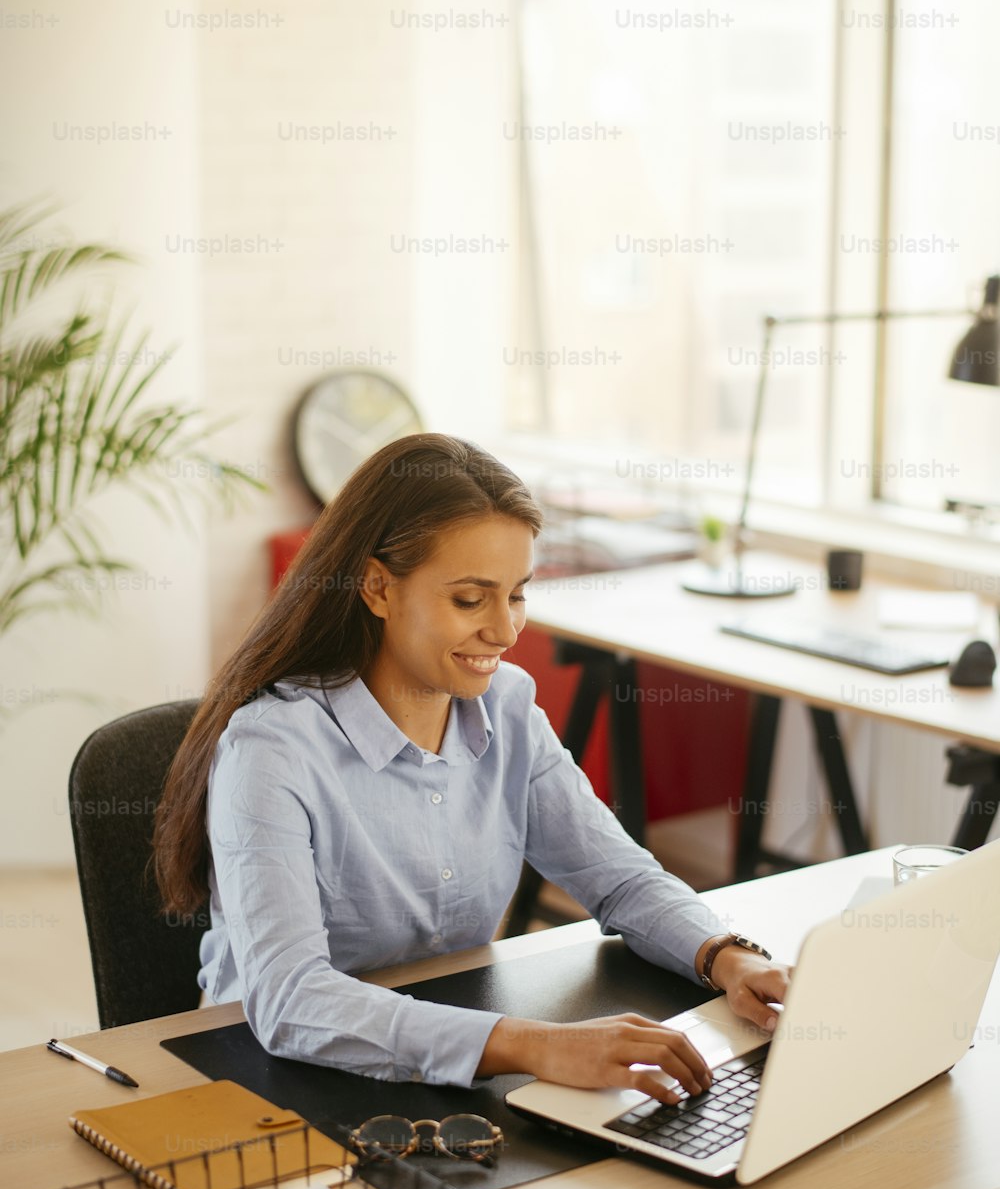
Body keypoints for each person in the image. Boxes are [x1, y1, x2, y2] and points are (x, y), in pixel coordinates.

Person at [155, 434, 789, 1102]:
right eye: (469, 599)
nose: (507, 631)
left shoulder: (509, 708)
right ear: (377, 587)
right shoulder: (273, 750)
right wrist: (533, 1043)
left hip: (439, 1066)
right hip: (265, 1076)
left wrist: (727, 956)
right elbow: (289, 999)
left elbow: (619, 879)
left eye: (517, 594)